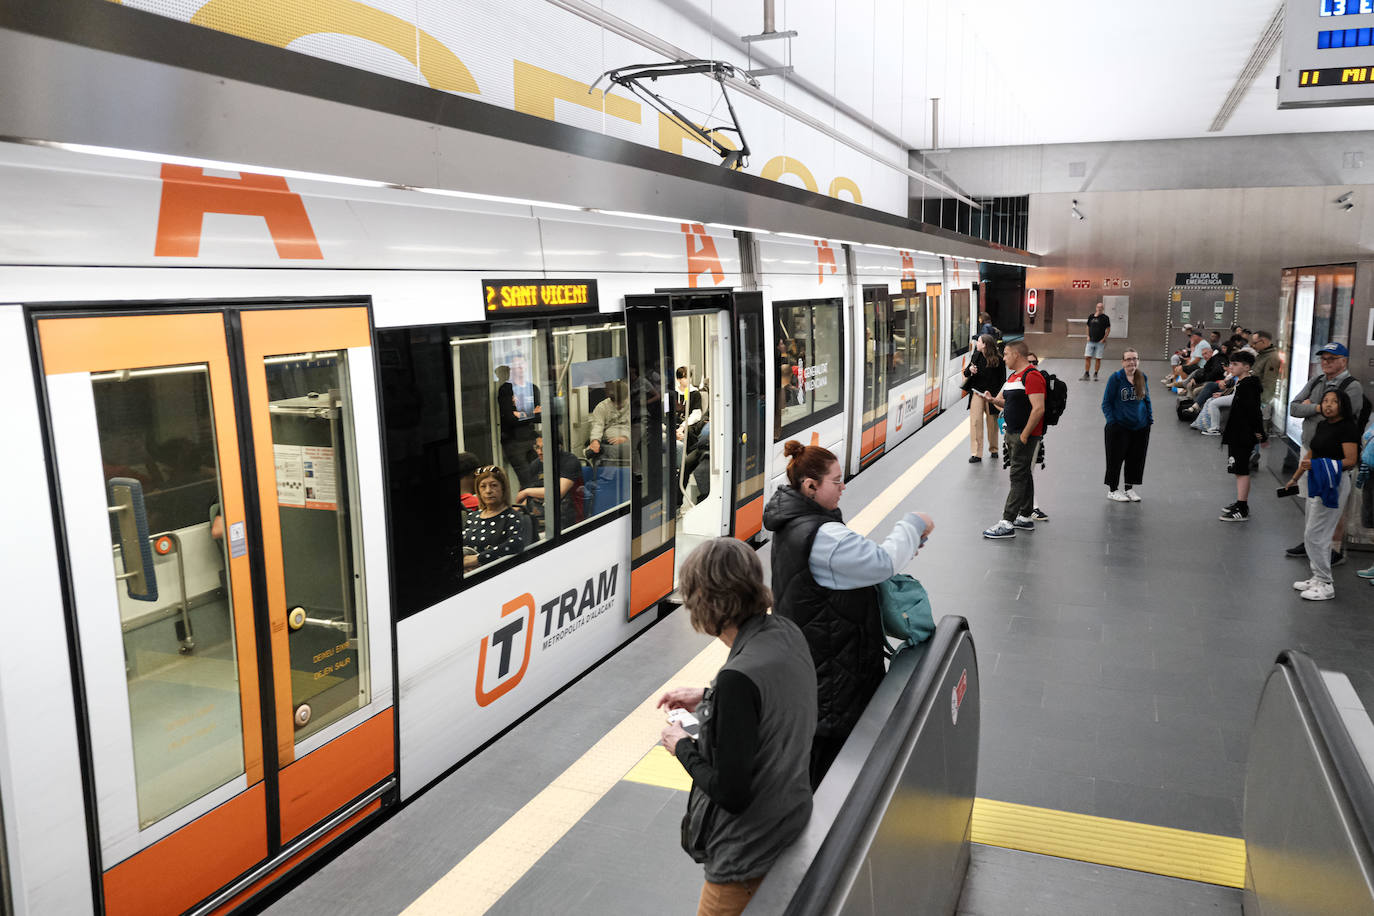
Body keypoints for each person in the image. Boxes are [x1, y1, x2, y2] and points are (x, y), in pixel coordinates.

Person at [658, 538, 816, 916]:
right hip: (789, 817)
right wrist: (708, 697)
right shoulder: (784, 631)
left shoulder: (737, 679)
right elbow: (772, 701)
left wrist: (680, 744)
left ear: (705, 601)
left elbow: (731, 792)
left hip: (745, 855)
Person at [762, 441, 933, 787]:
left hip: (815, 663)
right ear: (810, 486)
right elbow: (882, 563)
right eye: (836, 481)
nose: (844, 487)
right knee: (831, 773)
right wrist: (913, 524)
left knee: (817, 761)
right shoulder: (823, 535)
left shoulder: (794, 524)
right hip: (833, 675)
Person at [1286, 342, 1364, 565]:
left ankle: (1333, 548)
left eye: (1332, 358)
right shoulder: (1317, 380)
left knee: (1331, 501)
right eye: (1323, 358)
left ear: (1343, 361)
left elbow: (1341, 416)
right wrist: (1319, 408)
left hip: (1334, 454)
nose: (1326, 362)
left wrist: (1312, 407)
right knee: (1312, 498)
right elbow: (1294, 407)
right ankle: (1311, 541)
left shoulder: (1352, 386)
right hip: (1311, 448)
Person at [1285, 390, 1360, 600]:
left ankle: (1326, 583)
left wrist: (1320, 465)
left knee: (1316, 534)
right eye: (1325, 401)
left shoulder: (1347, 428)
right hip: (1317, 480)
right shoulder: (1323, 424)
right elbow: (1312, 452)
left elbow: (1351, 460)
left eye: (1334, 402)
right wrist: (1296, 476)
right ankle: (1317, 576)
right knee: (1313, 531)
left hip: (1333, 482)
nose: (1328, 405)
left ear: (1343, 405)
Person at [980, 341, 1045, 538]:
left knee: (1017, 476)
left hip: (1023, 436)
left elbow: (1039, 408)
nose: (1004, 358)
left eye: (1006, 354)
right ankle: (1025, 516)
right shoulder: (1013, 377)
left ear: (1017, 355)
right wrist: (993, 400)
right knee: (1024, 474)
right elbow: (1005, 401)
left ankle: (1007, 521)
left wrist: (1025, 435)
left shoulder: (1032, 376)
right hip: (1012, 433)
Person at [1101, 348, 1153, 501]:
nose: (1132, 362)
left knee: (1135, 459)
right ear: (1123, 362)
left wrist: (1149, 419)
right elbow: (1106, 403)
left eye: (1135, 358)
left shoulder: (1142, 377)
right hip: (1119, 427)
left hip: (1140, 427)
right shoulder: (1115, 378)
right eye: (1129, 359)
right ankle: (1112, 490)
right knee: (1115, 459)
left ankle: (1129, 488)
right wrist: (1113, 422)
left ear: (1138, 360)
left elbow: (1146, 399)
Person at [1219, 350, 1264, 522]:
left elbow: (1253, 411)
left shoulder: (1248, 385)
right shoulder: (1242, 383)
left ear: (1246, 367)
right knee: (1238, 470)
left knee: (1242, 470)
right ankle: (1240, 502)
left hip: (1243, 434)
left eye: (1235, 364)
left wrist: (1259, 432)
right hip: (1238, 432)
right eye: (1231, 363)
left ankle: (1242, 507)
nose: (1231, 366)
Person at [514, 435, 584, 532]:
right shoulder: (536, 464)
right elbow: (522, 499)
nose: (539, 452)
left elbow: (558, 493)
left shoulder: (570, 461)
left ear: (558, 447)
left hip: (564, 519)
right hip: (538, 516)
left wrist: (526, 492)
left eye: (544, 448)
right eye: (537, 447)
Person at [461, 466, 524, 570]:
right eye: (483, 486)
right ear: (478, 492)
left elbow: (516, 544)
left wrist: (478, 559)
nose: (488, 491)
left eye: (494, 485)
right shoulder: (472, 516)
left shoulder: (511, 516)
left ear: (503, 488)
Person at [497, 354, 541, 479]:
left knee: (540, 478)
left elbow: (541, 417)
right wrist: (532, 413)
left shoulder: (532, 388)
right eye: (516, 365)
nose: (520, 368)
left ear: (526, 365)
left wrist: (520, 414)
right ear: (511, 368)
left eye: (522, 364)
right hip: (513, 442)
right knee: (527, 480)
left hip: (532, 439)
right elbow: (510, 419)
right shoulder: (506, 389)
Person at [963, 333, 1005, 463]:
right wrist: (970, 370)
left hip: (992, 395)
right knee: (975, 422)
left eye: (979, 341)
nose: (977, 343)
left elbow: (1003, 380)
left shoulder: (998, 359)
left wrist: (998, 397)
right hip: (977, 393)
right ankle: (977, 453)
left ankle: (994, 449)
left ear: (985, 344)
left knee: (992, 423)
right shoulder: (976, 356)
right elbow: (965, 372)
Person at [588, 379, 632, 462]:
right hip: (609, 439)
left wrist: (626, 437)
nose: (618, 406)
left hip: (628, 438)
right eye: (616, 403)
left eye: (620, 403)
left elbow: (636, 426)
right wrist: (595, 441)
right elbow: (597, 425)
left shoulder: (632, 405)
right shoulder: (602, 407)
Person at [1082, 301, 1111, 380]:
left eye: (1101, 307)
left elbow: (1108, 329)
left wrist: (1104, 339)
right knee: (1087, 357)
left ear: (1103, 309)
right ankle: (1087, 373)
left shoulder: (1105, 318)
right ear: (1096, 308)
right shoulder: (1091, 316)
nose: (1099, 309)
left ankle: (1096, 374)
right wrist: (1087, 336)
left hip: (1100, 342)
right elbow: (1087, 326)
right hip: (1090, 341)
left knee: (1098, 358)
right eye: (1098, 307)